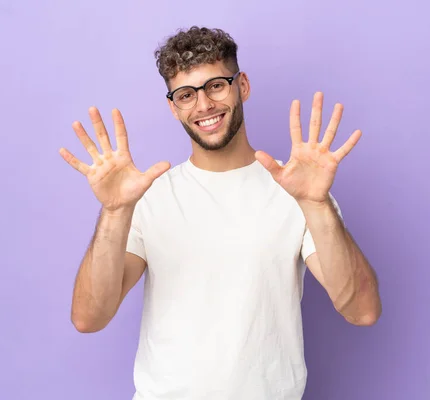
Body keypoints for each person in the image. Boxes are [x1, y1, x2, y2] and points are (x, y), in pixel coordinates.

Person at [59, 26, 381, 400]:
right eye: (186, 94)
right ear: (173, 107)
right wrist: (114, 211)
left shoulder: (298, 191)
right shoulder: (148, 198)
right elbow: (89, 318)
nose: (204, 105)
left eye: (216, 86)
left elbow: (362, 311)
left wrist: (316, 204)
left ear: (241, 85)